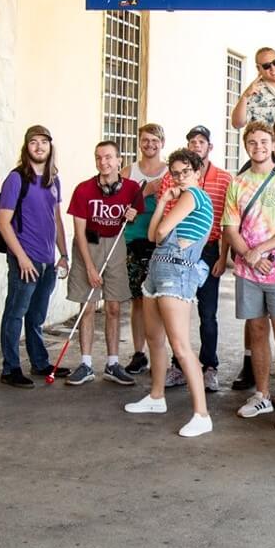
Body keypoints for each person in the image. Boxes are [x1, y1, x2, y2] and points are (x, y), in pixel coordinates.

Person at [123, 149, 217, 438]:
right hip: (158, 268)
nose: (179, 177)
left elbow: (162, 231)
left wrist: (165, 215)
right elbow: (153, 236)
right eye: (174, 173)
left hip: (177, 270)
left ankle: (202, 414)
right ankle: (156, 396)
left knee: (180, 345)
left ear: (198, 172)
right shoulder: (176, 199)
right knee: (155, 338)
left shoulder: (193, 196)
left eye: (185, 171)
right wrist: (163, 200)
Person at [223, 121, 275, 431]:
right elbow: (230, 228)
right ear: (246, 146)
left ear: (272, 145)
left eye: (263, 141)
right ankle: (261, 394)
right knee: (256, 331)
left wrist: (261, 251)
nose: (258, 147)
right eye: (252, 142)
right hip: (248, 270)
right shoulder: (238, 183)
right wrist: (248, 255)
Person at [62, 141, 145, 387]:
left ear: (119, 160)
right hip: (88, 246)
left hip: (116, 246)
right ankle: (86, 363)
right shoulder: (83, 189)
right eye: (99, 158)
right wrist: (89, 266)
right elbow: (79, 232)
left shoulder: (131, 189)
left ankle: (112, 363)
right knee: (87, 307)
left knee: (113, 308)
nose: (103, 162)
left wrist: (133, 215)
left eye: (109, 157)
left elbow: (135, 214)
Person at [0, 125, 69, 388]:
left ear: (50, 147)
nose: (39, 147)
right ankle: (10, 368)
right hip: (25, 260)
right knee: (15, 313)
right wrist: (22, 258)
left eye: (43, 142)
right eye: (33, 142)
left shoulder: (54, 179)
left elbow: (57, 219)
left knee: (36, 316)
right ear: (26, 148)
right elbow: (4, 223)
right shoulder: (16, 179)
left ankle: (39, 363)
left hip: (48, 261)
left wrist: (64, 254)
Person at [162, 126, 233, 392]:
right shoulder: (175, 178)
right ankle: (178, 365)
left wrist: (223, 256)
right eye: (192, 141)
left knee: (208, 312)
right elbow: (167, 209)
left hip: (209, 249)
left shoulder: (224, 179)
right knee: (178, 309)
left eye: (201, 141)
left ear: (209, 147)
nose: (196, 145)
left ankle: (209, 366)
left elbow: (228, 221)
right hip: (178, 249)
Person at [124, 123, 168, 378]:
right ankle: (139, 353)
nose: (150, 145)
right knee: (138, 301)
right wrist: (143, 194)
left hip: (160, 242)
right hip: (133, 240)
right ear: (139, 142)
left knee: (161, 301)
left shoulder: (169, 172)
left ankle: (158, 354)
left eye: (155, 140)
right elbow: (118, 205)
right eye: (145, 140)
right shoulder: (129, 171)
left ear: (162, 143)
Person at [230, 46, 275, 129]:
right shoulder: (254, 92)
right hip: (267, 141)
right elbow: (237, 124)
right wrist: (244, 97)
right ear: (258, 68)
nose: (273, 68)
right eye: (266, 66)